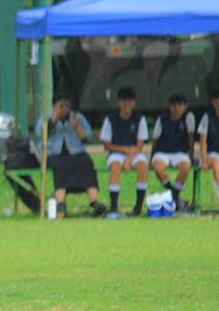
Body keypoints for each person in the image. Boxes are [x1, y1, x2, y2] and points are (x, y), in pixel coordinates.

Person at [35, 92, 107, 219]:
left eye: (67, 106)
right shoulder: (46, 118)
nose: (64, 109)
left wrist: (77, 126)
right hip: (55, 154)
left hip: (76, 152)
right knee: (60, 166)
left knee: (87, 163)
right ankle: (61, 204)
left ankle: (94, 202)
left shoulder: (77, 118)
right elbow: (40, 135)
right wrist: (55, 119)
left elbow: (88, 137)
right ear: (54, 107)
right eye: (61, 106)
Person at [99, 86, 149, 217]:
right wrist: (125, 150)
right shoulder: (110, 120)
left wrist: (129, 159)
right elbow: (106, 145)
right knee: (115, 166)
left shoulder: (140, 119)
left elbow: (139, 146)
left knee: (143, 166)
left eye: (130, 100)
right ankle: (114, 208)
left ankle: (138, 208)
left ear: (134, 102)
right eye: (124, 100)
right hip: (117, 153)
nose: (127, 104)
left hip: (134, 154)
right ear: (119, 102)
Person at [150, 93, 196, 209]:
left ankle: (172, 197)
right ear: (169, 107)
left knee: (185, 168)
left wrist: (191, 156)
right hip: (163, 151)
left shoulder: (188, 117)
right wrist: (152, 157)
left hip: (180, 152)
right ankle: (175, 197)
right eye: (173, 105)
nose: (176, 108)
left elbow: (191, 139)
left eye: (179, 105)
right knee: (158, 168)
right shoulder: (162, 119)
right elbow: (155, 140)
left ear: (185, 107)